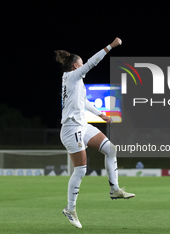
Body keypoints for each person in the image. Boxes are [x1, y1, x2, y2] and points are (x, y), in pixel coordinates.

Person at [55, 37, 135, 229]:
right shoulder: (72, 76)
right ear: (75, 66)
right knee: (81, 169)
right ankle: (70, 209)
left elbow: (84, 103)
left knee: (110, 149)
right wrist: (111, 46)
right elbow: (93, 62)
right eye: (81, 63)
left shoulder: (75, 82)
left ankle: (114, 189)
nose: (83, 65)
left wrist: (102, 115)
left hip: (83, 125)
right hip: (71, 129)